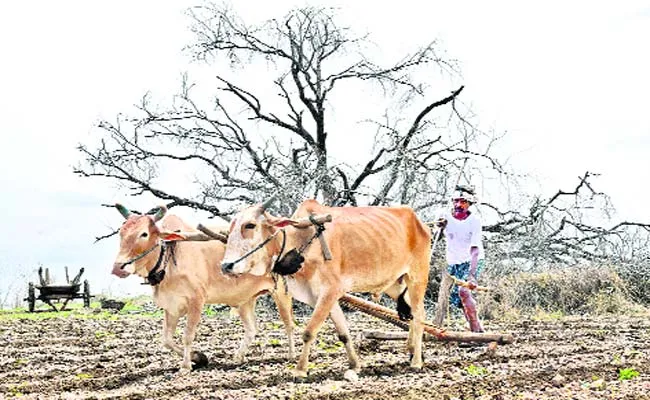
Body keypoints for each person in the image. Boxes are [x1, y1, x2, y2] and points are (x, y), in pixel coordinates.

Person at [436, 185, 485, 333]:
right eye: (456, 201)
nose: (458, 205)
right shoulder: (444, 215)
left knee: (464, 291)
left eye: (463, 201)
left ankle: (476, 332)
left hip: (472, 260)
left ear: (469, 203)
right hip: (453, 262)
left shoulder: (474, 221)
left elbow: (475, 250)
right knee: (459, 300)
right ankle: (477, 331)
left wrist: (471, 275)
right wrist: (440, 227)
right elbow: (435, 238)